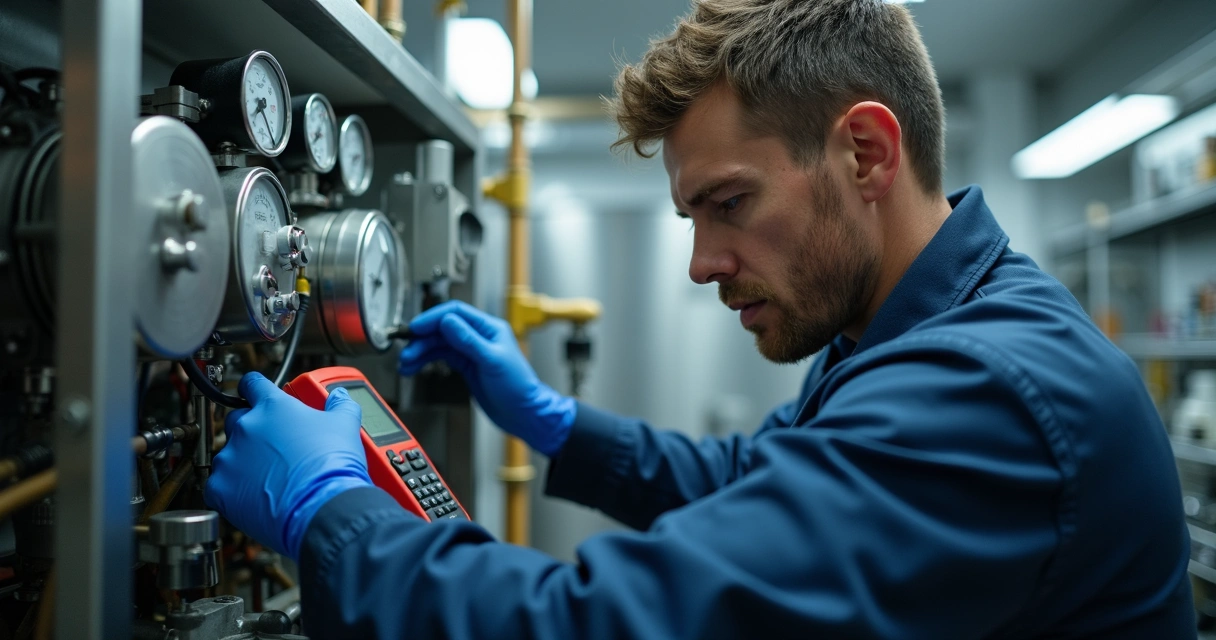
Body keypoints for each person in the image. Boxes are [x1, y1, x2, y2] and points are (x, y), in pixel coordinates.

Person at [204, 0, 1196, 637]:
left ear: (864, 154)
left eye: (729, 204)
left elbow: (606, 627)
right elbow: (752, 483)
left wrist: (325, 512)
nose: (702, 263)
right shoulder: (906, 335)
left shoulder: (985, 391)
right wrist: (553, 419)